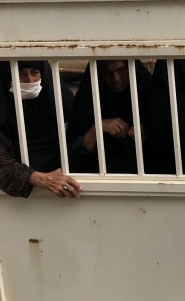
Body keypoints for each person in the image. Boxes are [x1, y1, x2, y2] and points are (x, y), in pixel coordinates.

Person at [0, 61, 81, 198]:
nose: (29, 80)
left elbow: (77, 146)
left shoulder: (59, 105)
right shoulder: (4, 112)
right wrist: (37, 178)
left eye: (35, 73)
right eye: (20, 74)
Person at [67, 60, 153, 174]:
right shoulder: (89, 102)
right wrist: (97, 129)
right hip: (100, 178)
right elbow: (70, 157)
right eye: (107, 73)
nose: (116, 79)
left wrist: (152, 131)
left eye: (121, 70)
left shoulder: (150, 98)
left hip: (149, 177)